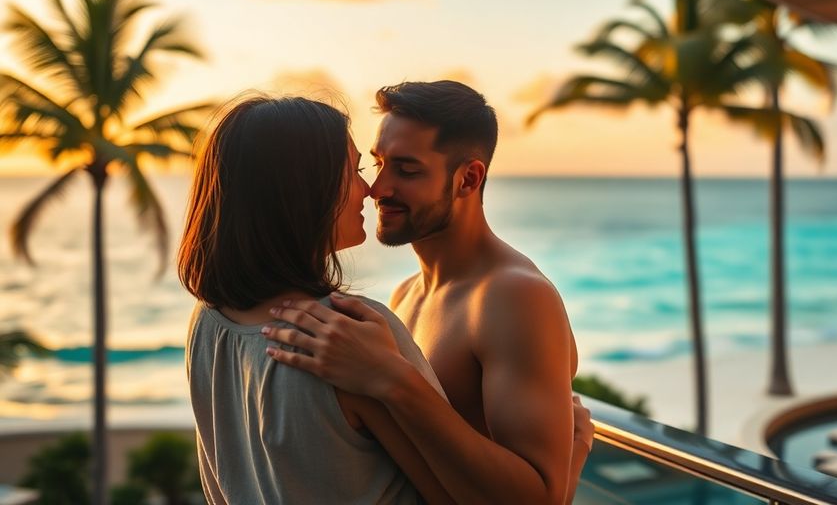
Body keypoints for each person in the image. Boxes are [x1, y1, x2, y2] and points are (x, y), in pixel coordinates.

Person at [263, 80, 595, 504]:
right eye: (379, 163)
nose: (378, 189)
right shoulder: (406, 295)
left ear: (468, 179)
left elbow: (540, 498)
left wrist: (391, 378)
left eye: (407, 170)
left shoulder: (515, 298)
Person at [178, 95, 454, 504]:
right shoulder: (347, 332)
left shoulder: (209, 322)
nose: (370, 190)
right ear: (303, 191)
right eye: (355, 171)